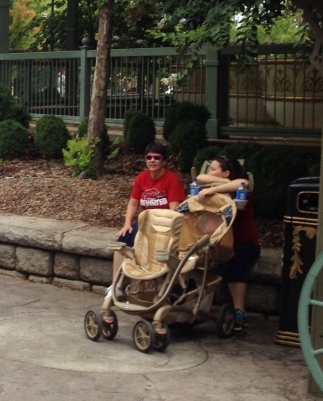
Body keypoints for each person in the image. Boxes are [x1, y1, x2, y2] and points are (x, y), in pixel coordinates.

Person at [109, 142, 186, 291]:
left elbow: (174, 210)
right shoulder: (141, 178)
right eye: (148, 157)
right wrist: (127, 224)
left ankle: (154, 283)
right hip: (145, 223)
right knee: (121, 243)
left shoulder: (172, 179)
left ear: (164, 161)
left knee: (153, 247)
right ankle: (116, 286)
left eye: (157, 157)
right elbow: (133, 203)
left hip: (165, 224)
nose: (152, 160)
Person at [197, 154, 259, 332]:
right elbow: (199, 178)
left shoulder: (240, 188)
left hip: (243, 243)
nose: (209, 172)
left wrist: (214, 190)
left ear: (225, 174)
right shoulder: (208, 185)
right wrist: (212, 186)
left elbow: (243, 183)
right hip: (217, 242)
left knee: (234, 261)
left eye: (213, 169)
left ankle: (240, 312)